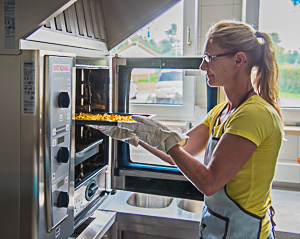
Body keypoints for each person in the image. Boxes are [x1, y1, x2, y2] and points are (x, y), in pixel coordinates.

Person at [96, 20, 283, 239]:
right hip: (218, 230)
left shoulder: (253, 114)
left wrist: (165, 140)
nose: (203, 66)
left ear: (238, 60)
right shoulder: (222, 111)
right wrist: (135, 136)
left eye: (209, 58)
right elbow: (180, 153)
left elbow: (209, 182)